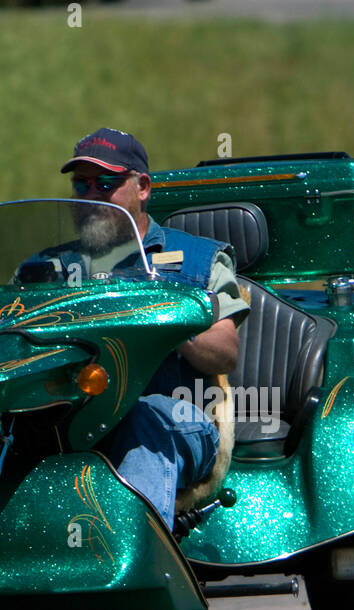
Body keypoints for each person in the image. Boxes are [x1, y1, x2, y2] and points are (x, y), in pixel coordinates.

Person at [61, 128, 250, 532]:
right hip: (68, 413)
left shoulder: (198, 260)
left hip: (176, 412)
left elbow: (226, 351)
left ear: (142, 187)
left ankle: (139, 560)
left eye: (107, 183)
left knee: (143, 418)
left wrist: (171, 323)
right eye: (82, 184)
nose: (91, 195)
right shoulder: (47, 268)